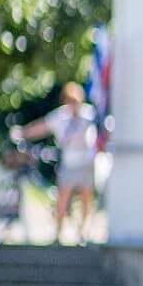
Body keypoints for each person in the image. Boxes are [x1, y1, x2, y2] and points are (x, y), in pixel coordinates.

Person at [19, 83, 102, 245]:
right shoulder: (61, 116)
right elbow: (42, 127)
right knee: (63, 197)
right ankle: (59, 231)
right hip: (69, 163)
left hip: (86, 162)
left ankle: (84, 233)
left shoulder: (89, 115)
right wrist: (23, 133)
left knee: (87, 197)